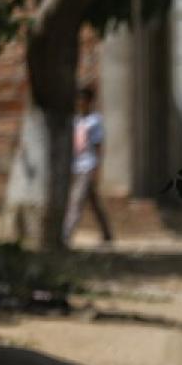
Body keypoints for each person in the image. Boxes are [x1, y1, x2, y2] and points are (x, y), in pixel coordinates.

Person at [62, 84, 114, 246]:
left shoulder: (95, 121)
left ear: (89, 101)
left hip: (87, 165)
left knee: (76, 201)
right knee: (94, 202)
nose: (80, 103)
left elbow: (98, 145)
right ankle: (107, 233)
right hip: (74, 165)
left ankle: (66, 234)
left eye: (83, 100)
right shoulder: (75, 120)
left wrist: (97, 168)